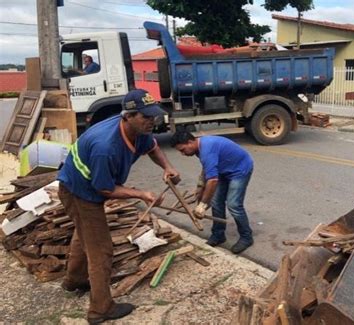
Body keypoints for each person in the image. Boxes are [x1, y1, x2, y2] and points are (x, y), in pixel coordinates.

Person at [57, 89, 179, 324]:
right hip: (79, 193)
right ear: (128, 115)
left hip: (89, 187)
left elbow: (152, 147)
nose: (151, 121)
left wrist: (167, 166)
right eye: (146, 117)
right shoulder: (106, 147)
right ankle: (100, 309)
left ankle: (74, 280)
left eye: (153, 116)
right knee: (101, 250)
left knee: (83, 236)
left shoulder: (140, 129)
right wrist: (142, 194)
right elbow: (104, 189)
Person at [170, 131, 254, 254]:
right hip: (224, 170)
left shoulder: (206, 150)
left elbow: (213, 180)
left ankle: (247, 237)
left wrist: (202, 205)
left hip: (239, 170)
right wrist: (200, 187)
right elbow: (207, 168)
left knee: (234, 205)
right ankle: (218, 234)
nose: (183, 154)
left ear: (190, 142)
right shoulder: (199, 146)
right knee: (216, 202)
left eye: (183, 150)